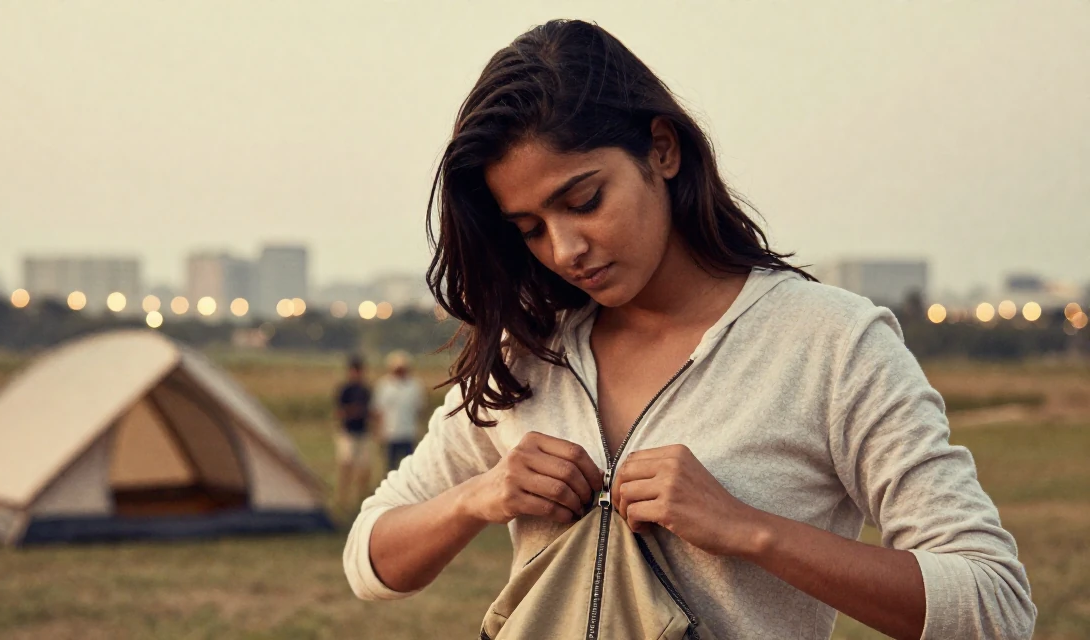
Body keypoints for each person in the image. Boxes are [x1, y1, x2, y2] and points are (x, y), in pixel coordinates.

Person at [343, 19, 1035, 640]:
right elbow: (369, 560)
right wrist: (478, 497)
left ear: (663, 150)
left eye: (583, 200)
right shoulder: (529, 353)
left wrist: (750, 531)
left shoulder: (832, 343)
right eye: (529, 229)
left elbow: (994, 606)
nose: (564, 249)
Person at [372, 350, 426, 472]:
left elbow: (419, 409)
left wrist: (419, 428)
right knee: (390, 467)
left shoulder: (415, 385)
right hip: (390, 433)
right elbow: (378, 411)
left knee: (410, 468)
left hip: (408, 432)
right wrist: (378, 431)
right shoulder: (384, 385)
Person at [334, 354, 373, 511]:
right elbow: (339, 411)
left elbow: (370, 410)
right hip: (348, 433)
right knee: (346, 466)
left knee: (364, 468)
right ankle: (343, 498)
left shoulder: (366, 389)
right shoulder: (345, 389)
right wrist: (354, 412)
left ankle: (360, 498)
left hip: (363, 432)